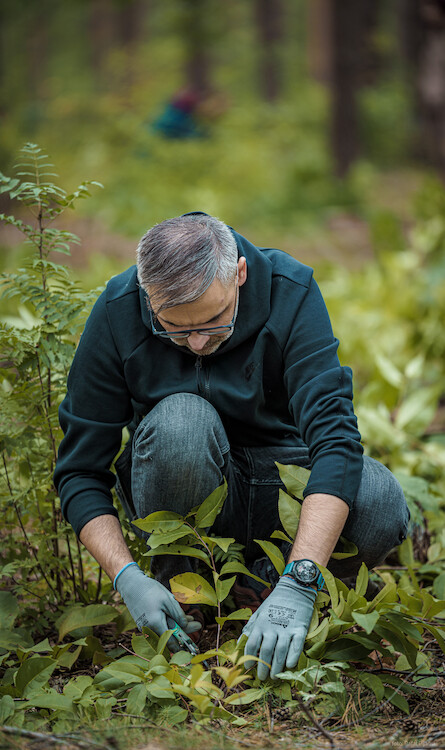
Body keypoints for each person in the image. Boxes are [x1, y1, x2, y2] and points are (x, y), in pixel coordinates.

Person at [54, 212, 410, 681]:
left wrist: (300, 582)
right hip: (180, 480)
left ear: (239, 273)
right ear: (147, 295)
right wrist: (127, 577)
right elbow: (80, 470)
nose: (198, 342)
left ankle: (267, 588)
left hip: (281, 482)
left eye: (213, 320)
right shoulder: (118, 309)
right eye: (175, 328)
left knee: (381, 501)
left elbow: (335, 441)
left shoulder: (291, 291)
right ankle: (184, 591)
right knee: (183, 420)